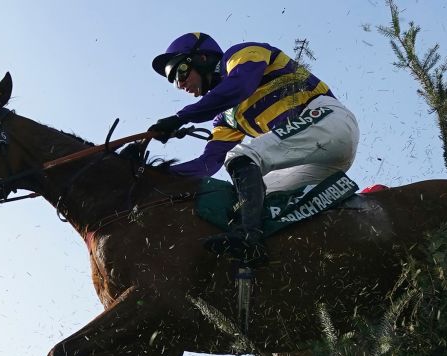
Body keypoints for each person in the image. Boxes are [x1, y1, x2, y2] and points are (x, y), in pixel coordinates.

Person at [148, 32, 359, 267]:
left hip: (328, 119)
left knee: (240, 155)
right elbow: (208, 164)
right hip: (316, 160)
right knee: (246, 203)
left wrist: (181, 117)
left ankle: (249, 240)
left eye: (179, 72)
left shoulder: (241, 54)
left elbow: (239, 86)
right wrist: (154, 177)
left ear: (202, 58)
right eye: (173, 81)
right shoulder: (225, 118)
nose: (180, 84)